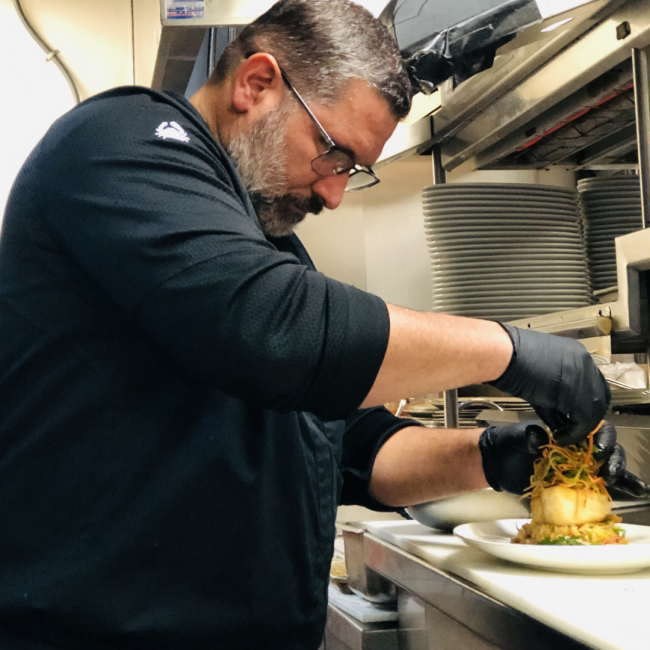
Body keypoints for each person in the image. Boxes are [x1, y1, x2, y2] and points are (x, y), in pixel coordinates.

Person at [0, 1, 646, 648]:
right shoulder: (120, 142)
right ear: (257, 83)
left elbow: (356, 451)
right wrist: (508, 350)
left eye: (352, 170)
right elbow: (271, 329)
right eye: (334, 154)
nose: (334, 195)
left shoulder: (265, 243)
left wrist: (497, 456)